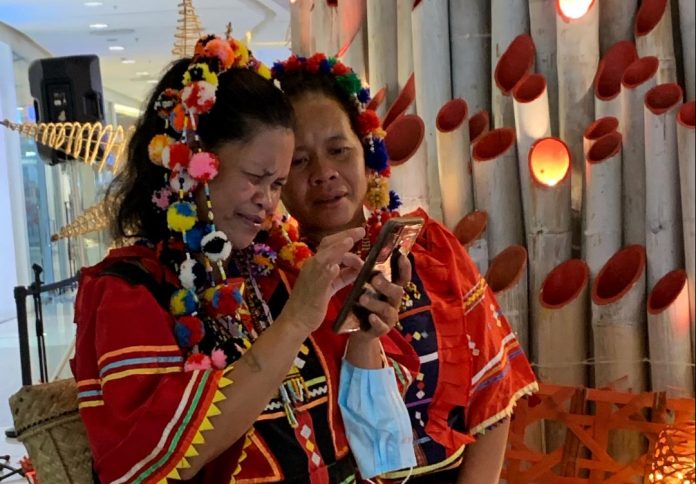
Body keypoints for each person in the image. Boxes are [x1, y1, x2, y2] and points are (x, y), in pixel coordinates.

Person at [71, 35, 415, 483]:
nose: (267, 203)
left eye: (276, 185)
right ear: (191, 165)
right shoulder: (129, 291)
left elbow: (364, 442)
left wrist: (364, 335)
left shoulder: (278, 269)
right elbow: (147, 462)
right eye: (255, 177)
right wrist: (293, 324)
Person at [272, 53, 539, 484]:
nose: (323, 173)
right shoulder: (274, 286)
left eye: (338, 150)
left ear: (368, 151)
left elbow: (492, 398)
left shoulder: (431, 250)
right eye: (299, 161)